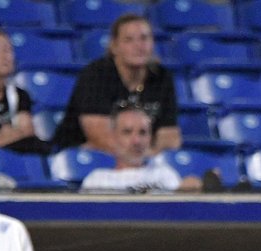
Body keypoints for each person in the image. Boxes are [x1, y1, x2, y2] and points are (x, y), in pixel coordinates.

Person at [53, 14, 181, 154]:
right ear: (114, 46)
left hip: (142, 159)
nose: (139, 46)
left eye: (144, 38)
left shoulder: (162, 77)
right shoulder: (96, 75)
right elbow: (100, 137)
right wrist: (141, 158)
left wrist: (148, 158)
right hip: (85, 157)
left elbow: (169, 136)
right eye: (129, 40)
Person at [79, 106, 201, 193]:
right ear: (114, 137)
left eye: (142, 133)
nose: (136, 141)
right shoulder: (97, 180)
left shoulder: (164, 174)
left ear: (150, 138)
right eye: (127, 132)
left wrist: (187, 190)